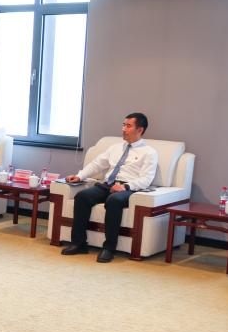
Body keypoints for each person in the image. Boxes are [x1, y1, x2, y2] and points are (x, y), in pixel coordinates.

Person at [60, 112, 158, 263]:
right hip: (107, 185)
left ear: (140, 130)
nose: (123, 129)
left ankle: (109, 248)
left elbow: (146, 179)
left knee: (114, 200)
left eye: (128, 126)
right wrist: (80, 176)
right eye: (123, 125)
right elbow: (97, 164)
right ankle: (79, 243)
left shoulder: (149, 153)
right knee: (82, 196)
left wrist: (125, 186)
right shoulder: (115, 148)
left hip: (128, 189)